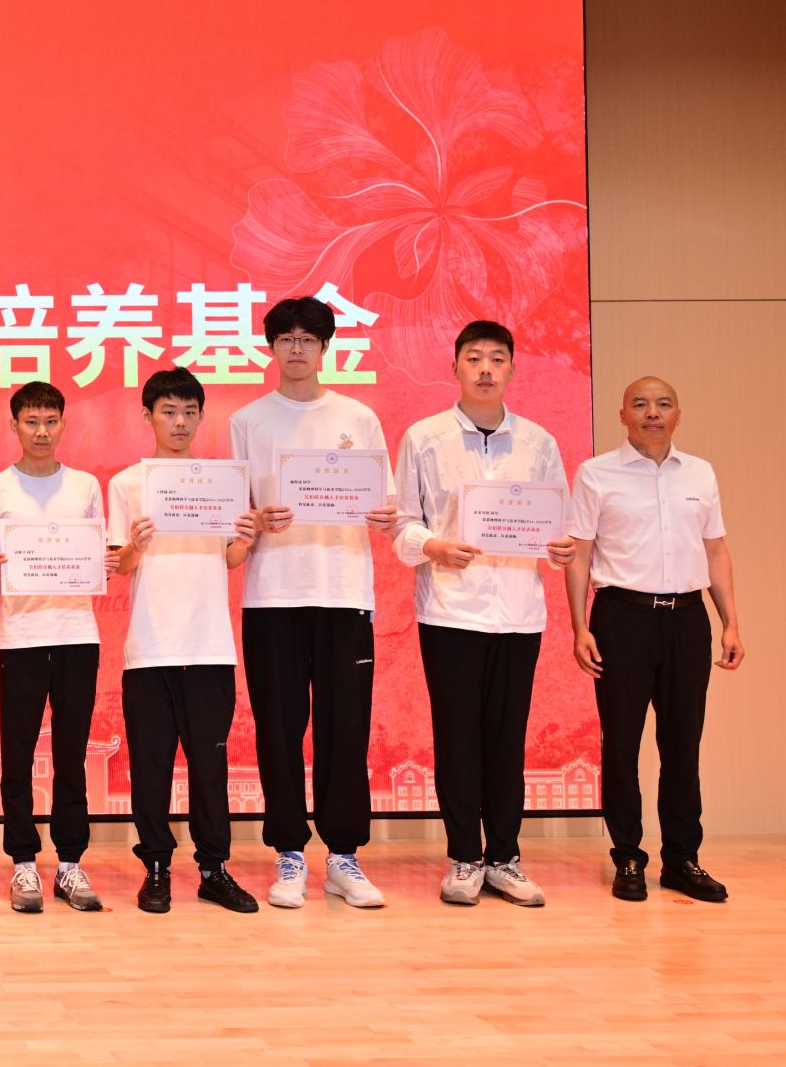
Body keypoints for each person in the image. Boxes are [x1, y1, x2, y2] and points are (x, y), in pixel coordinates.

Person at [393, 322, 576, 908]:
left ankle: (504, 858)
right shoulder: (424, 437)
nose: (486, 369)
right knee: (457, 738)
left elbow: (559, 526)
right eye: (474, 358)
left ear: (513, 369)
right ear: (455, 368)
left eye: (497, 359)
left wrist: (560, 548)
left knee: (506, 739)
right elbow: (403, 522)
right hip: (451, 610)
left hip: (519, 612)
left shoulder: (538, 442)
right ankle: (464, 858)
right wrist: (433, 546)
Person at [228, 295, 398, 909]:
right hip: (272, 595)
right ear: (271, 348)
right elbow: (235, 514)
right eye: (286, 339)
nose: (296, 348)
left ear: (325, 348)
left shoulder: (358, 416)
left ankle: (344, 855)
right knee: (278, 728)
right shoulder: (249, 420)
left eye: (307, 339)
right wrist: (255, 520)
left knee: (344, 726)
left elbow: (386, 501)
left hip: (344, 591)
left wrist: (385, 515)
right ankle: (289, 853)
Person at [566, 376, 745, 903]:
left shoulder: (700, 473)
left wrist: (730, 621)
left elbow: (715, 550)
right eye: (640, 404)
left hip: (688, 619)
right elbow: (579, 553)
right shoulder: (596, 473)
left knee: (683, 744)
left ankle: (682, 859)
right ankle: (627, 856)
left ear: (677, 414)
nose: (652, 412)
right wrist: (579, 626)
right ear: (623, 415)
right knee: (621, 744)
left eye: (663, 404)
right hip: (622, 617)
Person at [107, 367, 260, 916]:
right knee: (151, 767)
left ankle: (214, 869)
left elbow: (229, 558)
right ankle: (155, 868)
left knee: (210, 767)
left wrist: (246, 539)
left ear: (200, 417)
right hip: (150, 649)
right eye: (168, 412)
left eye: (189, 412)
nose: (180, 422)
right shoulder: (128, 483)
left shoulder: (221, 481)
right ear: (147, 416)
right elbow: (120, 564)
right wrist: (135, 544)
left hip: (210, 645)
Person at [0, 381, 104, 914]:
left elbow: (97, 554)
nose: (41, 431)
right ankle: (23, 862)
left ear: (63, 424)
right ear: (14, 425)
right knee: (17, 757)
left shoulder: (86, 485)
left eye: (50, 421)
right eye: (31, 421)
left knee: (72, 755)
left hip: (77, 635)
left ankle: (70, 863)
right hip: (22, 638)